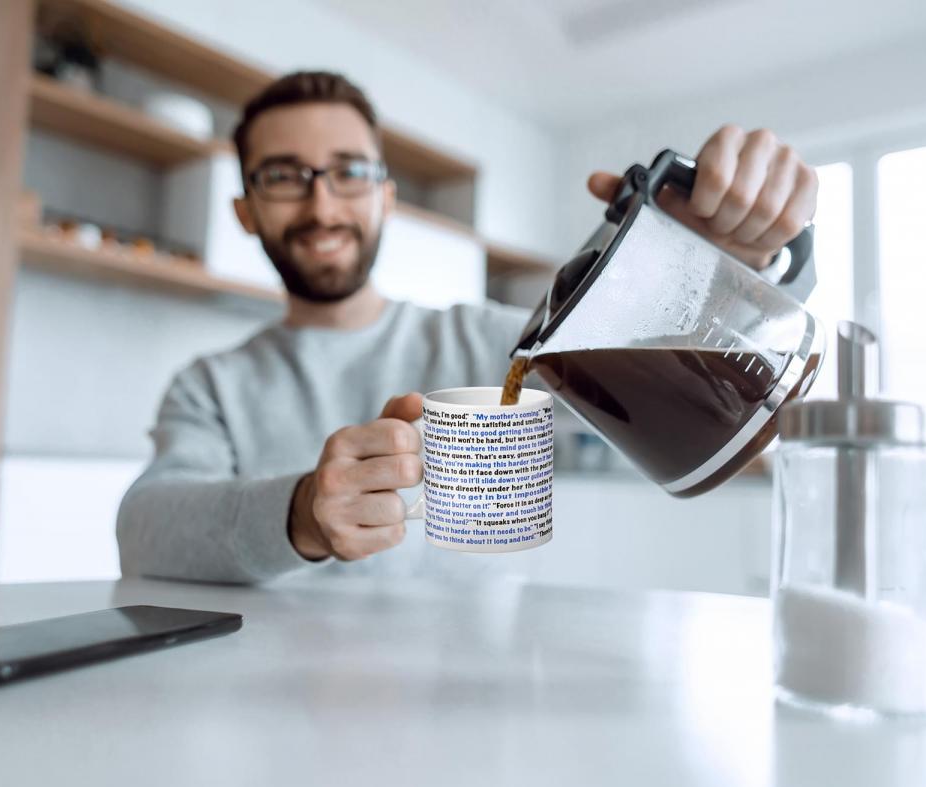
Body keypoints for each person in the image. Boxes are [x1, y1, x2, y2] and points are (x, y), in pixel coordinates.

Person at [116, 71, 819, 584]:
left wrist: (714, 264)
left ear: (385, 197)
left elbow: (662, 367)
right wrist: (300, 512)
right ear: (246, 210)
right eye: (284, 176)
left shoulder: (490, 346)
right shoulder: (211, 385)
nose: (322, 203)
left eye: (349, 172)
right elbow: (144, 531)